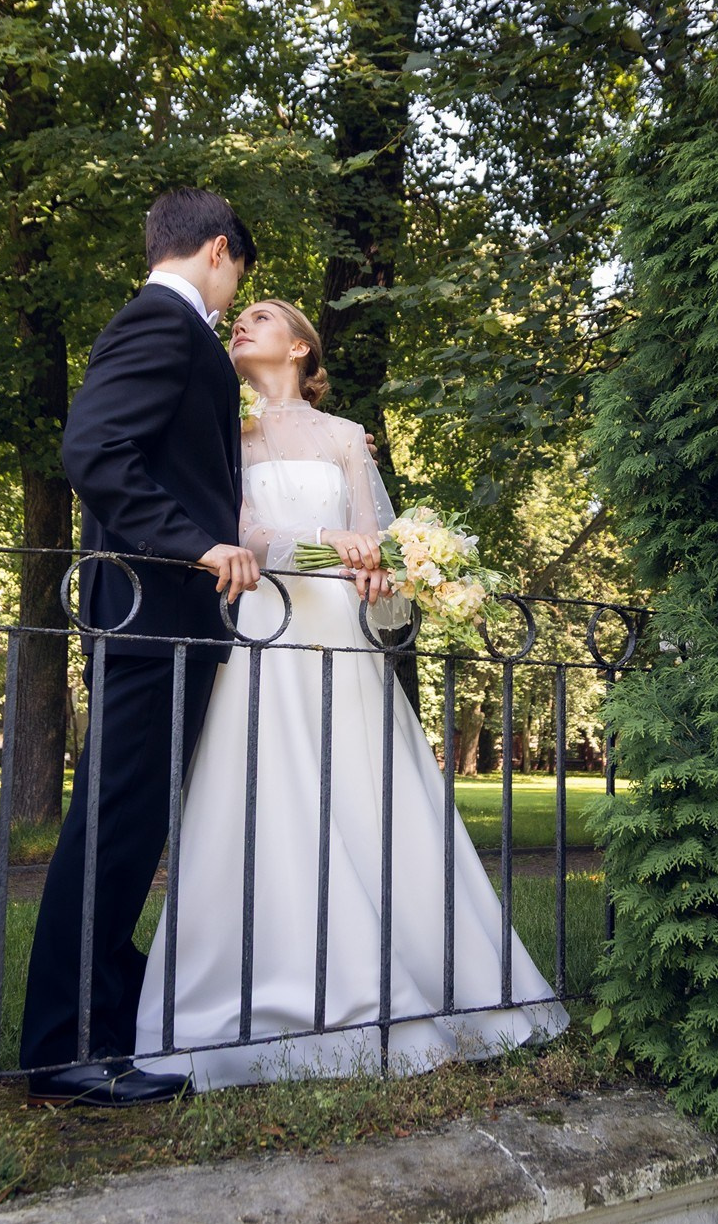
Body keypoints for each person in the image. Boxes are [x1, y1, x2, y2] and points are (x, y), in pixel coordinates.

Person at [131, 298, 568, 1089]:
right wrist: (328, 541)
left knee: (372, 793)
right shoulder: (226, 434)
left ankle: (425, 982)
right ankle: (263, 993)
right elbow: (245, 534)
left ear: (300, 347)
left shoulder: (345, 439)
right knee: (260, 792)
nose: (242, 323)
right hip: (267, 622)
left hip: (337, 628)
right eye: (240, 316)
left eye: (261, 317)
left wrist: (378, 570)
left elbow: (376, 540)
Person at [17, 187, 262, 1106]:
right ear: (215, 251)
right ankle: (63, 1048)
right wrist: (196, 545)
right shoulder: (162, 323)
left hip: (168, 619)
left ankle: (104, 1027)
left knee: (130, 828)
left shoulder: (170, 329)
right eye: (239, 271)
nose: (235, 295)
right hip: (150, 611)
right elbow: (96, 449)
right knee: (113, 829)